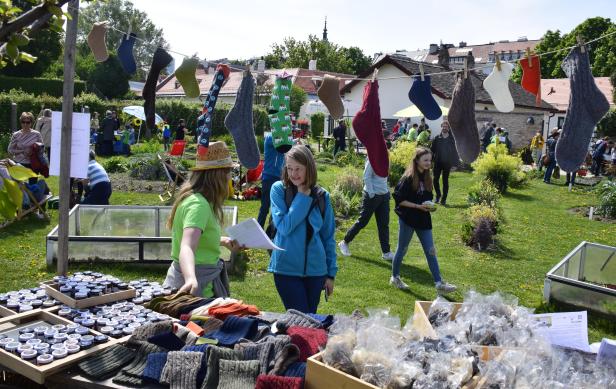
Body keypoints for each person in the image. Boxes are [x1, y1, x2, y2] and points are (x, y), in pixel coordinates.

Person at [163, 141, 243, 297]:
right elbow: (187, 246)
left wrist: (223, 241)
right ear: (218, 175)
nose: (229, 178)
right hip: (195, 289)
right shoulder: (199, 205)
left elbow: (196, 238)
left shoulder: (197, 200)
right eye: (228, 172)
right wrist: (191, 279)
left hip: (196, 283)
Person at [268, 145, 337, 313]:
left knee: (309, 319)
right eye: (289, 168)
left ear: (309, 168)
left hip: (316, 272)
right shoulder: (278, 190)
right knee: (300, 322)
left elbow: (328, 237)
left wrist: (330, 274)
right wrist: (302, 196)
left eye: (298, 168)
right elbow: (285, 227)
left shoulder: (322, 196)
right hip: (285, 269)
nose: (293, 174)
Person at [390, 146, 456, 294]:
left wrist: (429, 205)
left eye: (430, 160)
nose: (428, 163)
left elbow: (427, 197)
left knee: (431, 251)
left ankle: (439, 284)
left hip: (423, 219)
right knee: (402, 249)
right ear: (417, 160)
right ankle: (395, 278)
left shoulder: (428, 177)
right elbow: (399, 200)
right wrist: (417, 206)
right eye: (425, 160)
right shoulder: (407, 178)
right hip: (408, 218)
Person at [338, 159, 394, 261]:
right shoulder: (372, 159)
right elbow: (366, 177)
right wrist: (372, 193)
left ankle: (386, 252)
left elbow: (384, 177)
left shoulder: (385, 159)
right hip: (371, 195)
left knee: (384, 224)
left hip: (384, 195)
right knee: (363, 221)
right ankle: (344, 242)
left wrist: (386, 191)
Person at [257, 133, 286, 227]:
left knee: (276, 208)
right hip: (269, 178)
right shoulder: (270, 137)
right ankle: (258, 232)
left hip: (279, 179)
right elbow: (281, 144)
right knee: (265, 207)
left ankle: (271, 233)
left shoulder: (283, 140)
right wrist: (292, 141)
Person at [430, 120, 459, 205]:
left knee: (445, 181)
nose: (444, 128)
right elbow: (432, 150)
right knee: (435, 180)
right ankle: (438, 195)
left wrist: (455, 164)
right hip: (437, 162)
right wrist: (430, 161)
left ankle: (444, 199)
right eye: (443, 126)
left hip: (447, 163)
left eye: (446, 126)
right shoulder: (437, 138)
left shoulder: (452, 139)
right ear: (441, 127)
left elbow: (455, 152)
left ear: (448, 128)